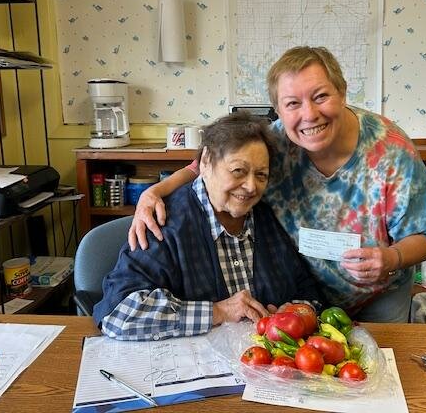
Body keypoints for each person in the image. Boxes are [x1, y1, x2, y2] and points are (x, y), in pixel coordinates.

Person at [128, 46, 426, 323]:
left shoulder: (391, 152)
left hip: (378, 296)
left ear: (342, 92)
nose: (309, 114)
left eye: (320, 96)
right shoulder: (275, 141)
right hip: (303, 296)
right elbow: (206, 167)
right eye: (293, 103)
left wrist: (391, 258)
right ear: (278, 110)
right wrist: (154, 192)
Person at [93, 112, 322, 340]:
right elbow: (118, 314)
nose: (251, 186)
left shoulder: (267, 217)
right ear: (205, 162)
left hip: (260, 366)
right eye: (238, 171)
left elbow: (307, 291)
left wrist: (297, 313)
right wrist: (218, 312)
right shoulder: (164, 223)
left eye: (261, 175)